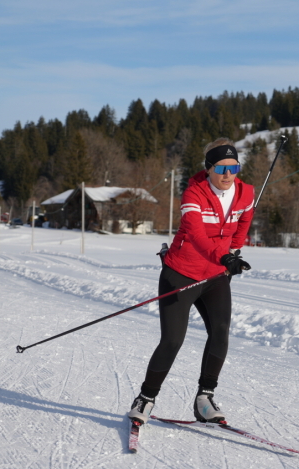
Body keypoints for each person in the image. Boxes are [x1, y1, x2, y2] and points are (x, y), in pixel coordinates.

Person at [128, 138, 254, 426]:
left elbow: (245, 220)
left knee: (220, 333)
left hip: (215, 276)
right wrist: (225, 257)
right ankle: (145, 399)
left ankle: (204, 399)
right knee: (173, 340)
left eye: (233, 167)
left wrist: (234, 250)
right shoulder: (192, 195)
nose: (227, 174)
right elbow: (197, 236)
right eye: (221, 168)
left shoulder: (246, 193)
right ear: (208, 169)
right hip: (181, 273)